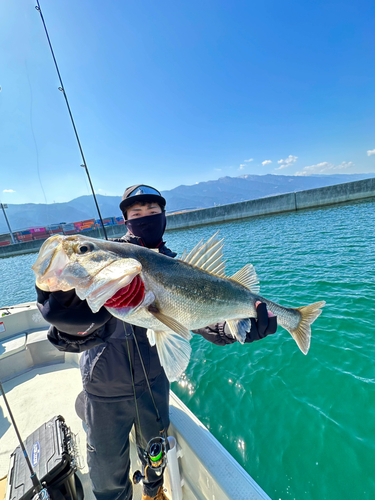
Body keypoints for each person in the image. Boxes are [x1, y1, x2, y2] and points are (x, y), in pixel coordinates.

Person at [36, 184, 277, 500]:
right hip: (105, 386)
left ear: (164, 216)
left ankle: (154, 492)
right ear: (126, 220)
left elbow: (201, 321)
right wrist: (68, 321)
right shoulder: (105, 264)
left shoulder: (181, 267)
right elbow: (70, 339)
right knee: (107, 469)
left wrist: (235, 330)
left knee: (156, 452)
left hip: (155, 382)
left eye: (153, 211)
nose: (146, 218)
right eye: (137, 213)